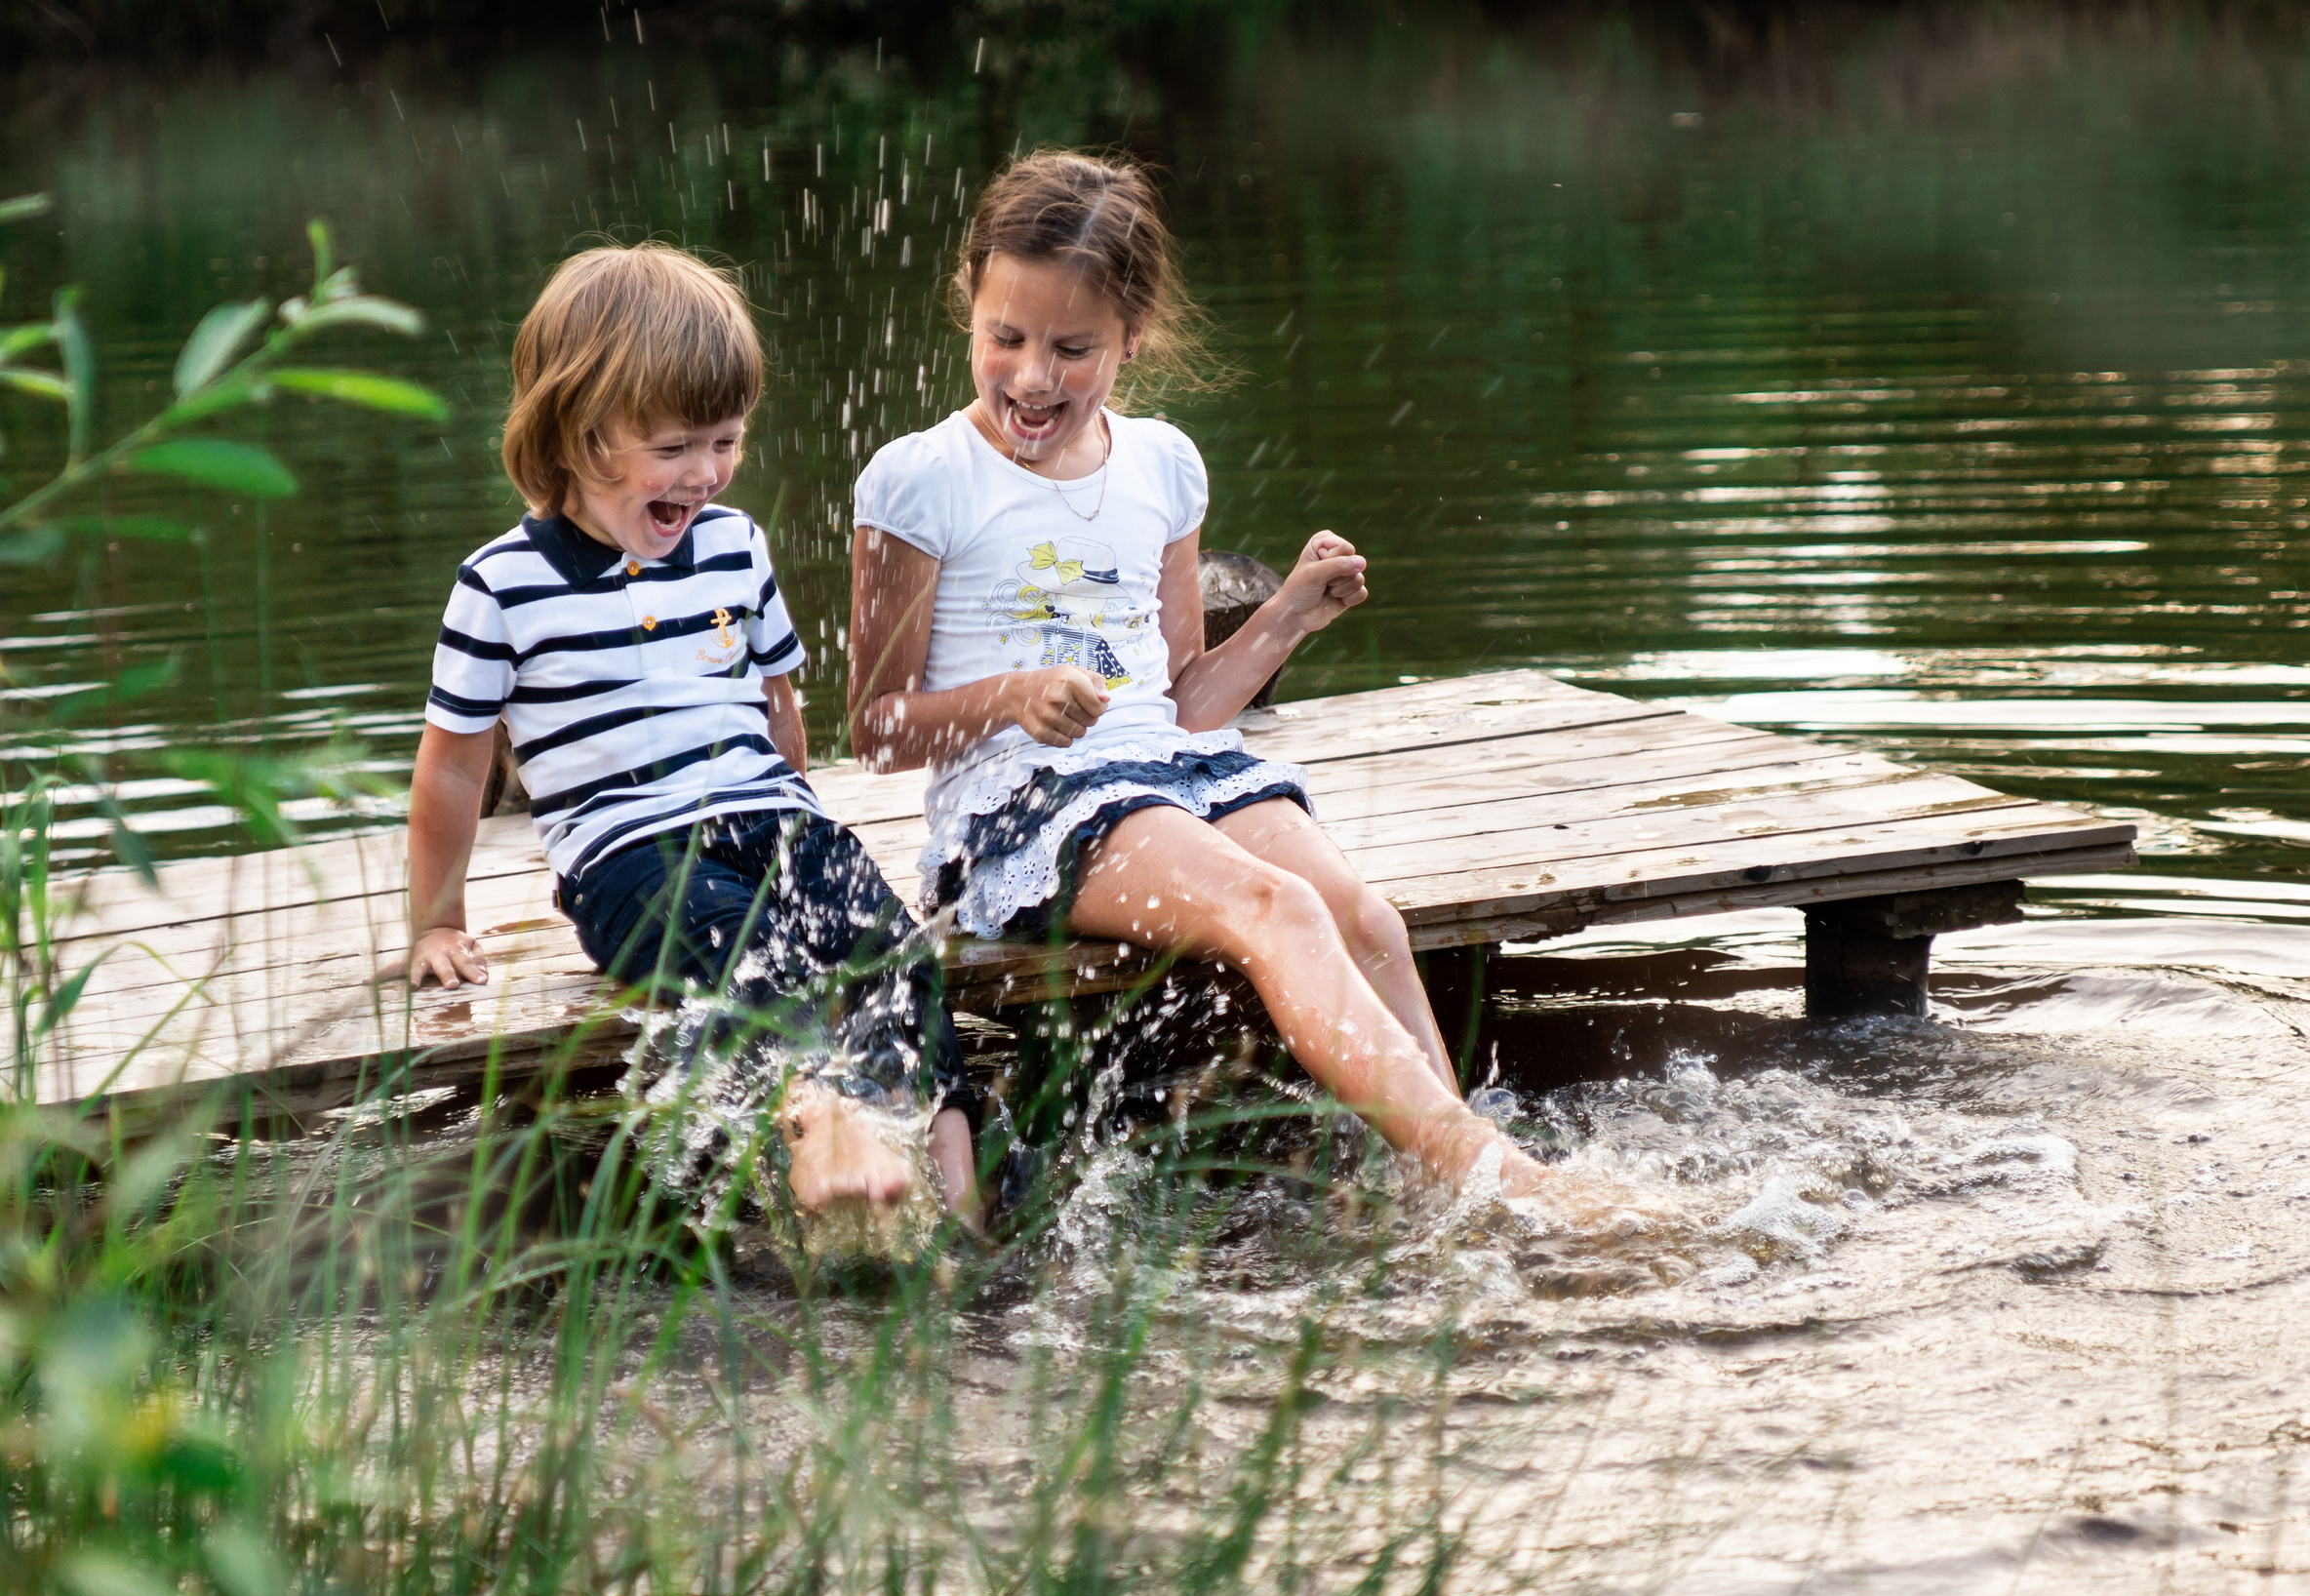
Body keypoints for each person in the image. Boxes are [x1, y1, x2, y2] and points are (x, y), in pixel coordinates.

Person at [847, 150, 1542, 1195]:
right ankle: (1491, 1174)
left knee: (1365, 918)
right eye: (1007, 338)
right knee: (1282, 910)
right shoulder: (920, 479)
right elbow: (877, 731)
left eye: (1073, 348)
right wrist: (1011, 699)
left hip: (1173, 771)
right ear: (969, 307)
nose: (1033, 377)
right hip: (1020, 814)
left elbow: (1182, 699)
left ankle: (1440, 1199)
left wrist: (1282, 622)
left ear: (1132, 335)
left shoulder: (1163, 463)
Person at [401, 242, 985, 1225]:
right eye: (675, 449)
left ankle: (959, 1213)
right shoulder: (501, 585)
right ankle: (823, 1135)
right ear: (580, 437)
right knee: (749, 953)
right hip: (629, 856)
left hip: (768, 820)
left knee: (894, 956)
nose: (707, 473)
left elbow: (777, 709)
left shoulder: (735, 545)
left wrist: (809, 837)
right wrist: (436, 922)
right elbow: (453, 770)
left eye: (726, 441)